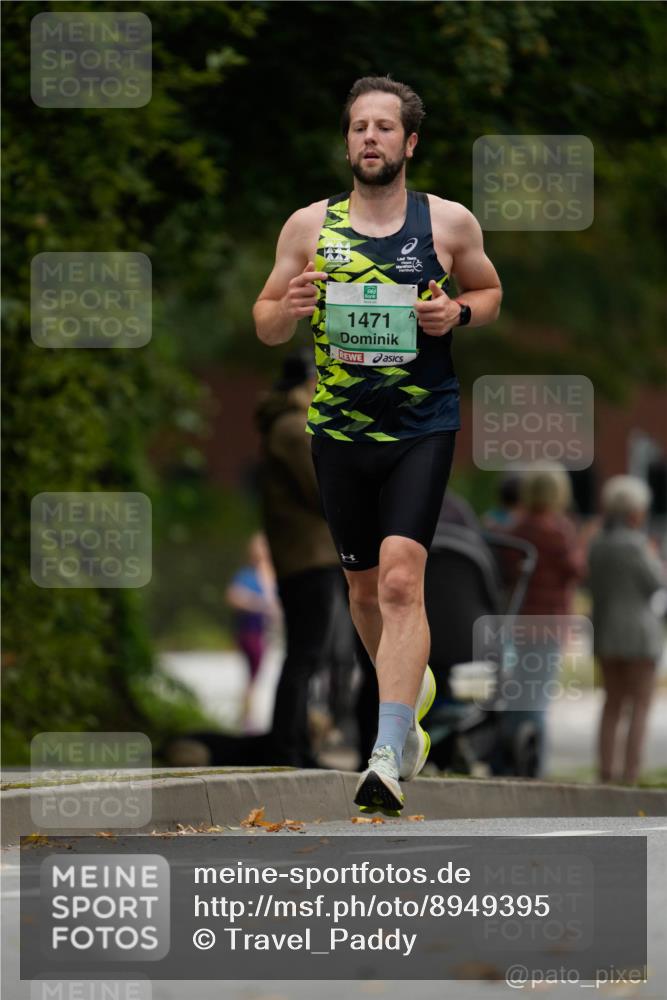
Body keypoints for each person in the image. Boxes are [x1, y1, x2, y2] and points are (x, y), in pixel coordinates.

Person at [253, 76, 502, 812]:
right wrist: (289, 306)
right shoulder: (308, 227)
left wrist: (456, 314)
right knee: (362, 590)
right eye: (359, 126)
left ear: (409, 142)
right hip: (337, 432)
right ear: (347, 143)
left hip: (421, 425)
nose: (370, 137)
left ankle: (389, 750)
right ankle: (409, 689)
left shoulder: (447, 223)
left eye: (384, 127)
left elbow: (488, 293)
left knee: (399, 580)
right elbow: (265, 320)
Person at [255, 349, 349, 766]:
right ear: (307, 384)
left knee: (305, 653)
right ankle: (289, 747)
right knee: (306, 654)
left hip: (302, 555)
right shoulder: (294, 428)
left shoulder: (285, 425)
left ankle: (294, 745)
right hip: (309, 557)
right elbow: (321, 489)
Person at [503, 463, 587, 775]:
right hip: (549, 624)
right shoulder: (559, 531)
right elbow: (577, 570)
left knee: (517, 693)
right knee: (538, 698)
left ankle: (506, 761)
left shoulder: (515, 529)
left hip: (519, 622)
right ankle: (534, 768)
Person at [588, 475, 666, 784]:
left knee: (612, 704)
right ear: (635, 512)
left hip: (606, 632)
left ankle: (606, 772)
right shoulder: (637, 545)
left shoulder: (597, 544)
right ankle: (630, 774)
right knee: (640, 707)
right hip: (639, 636)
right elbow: (656, 583)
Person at [225, 532, 280, 730]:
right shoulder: (247, 575)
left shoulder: (272, 575)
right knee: (253, 674)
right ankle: (247, 716)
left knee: (258, 675)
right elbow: (233, 596)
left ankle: (249, 715)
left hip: (267, 633)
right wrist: (258, 604)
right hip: (250, 631)